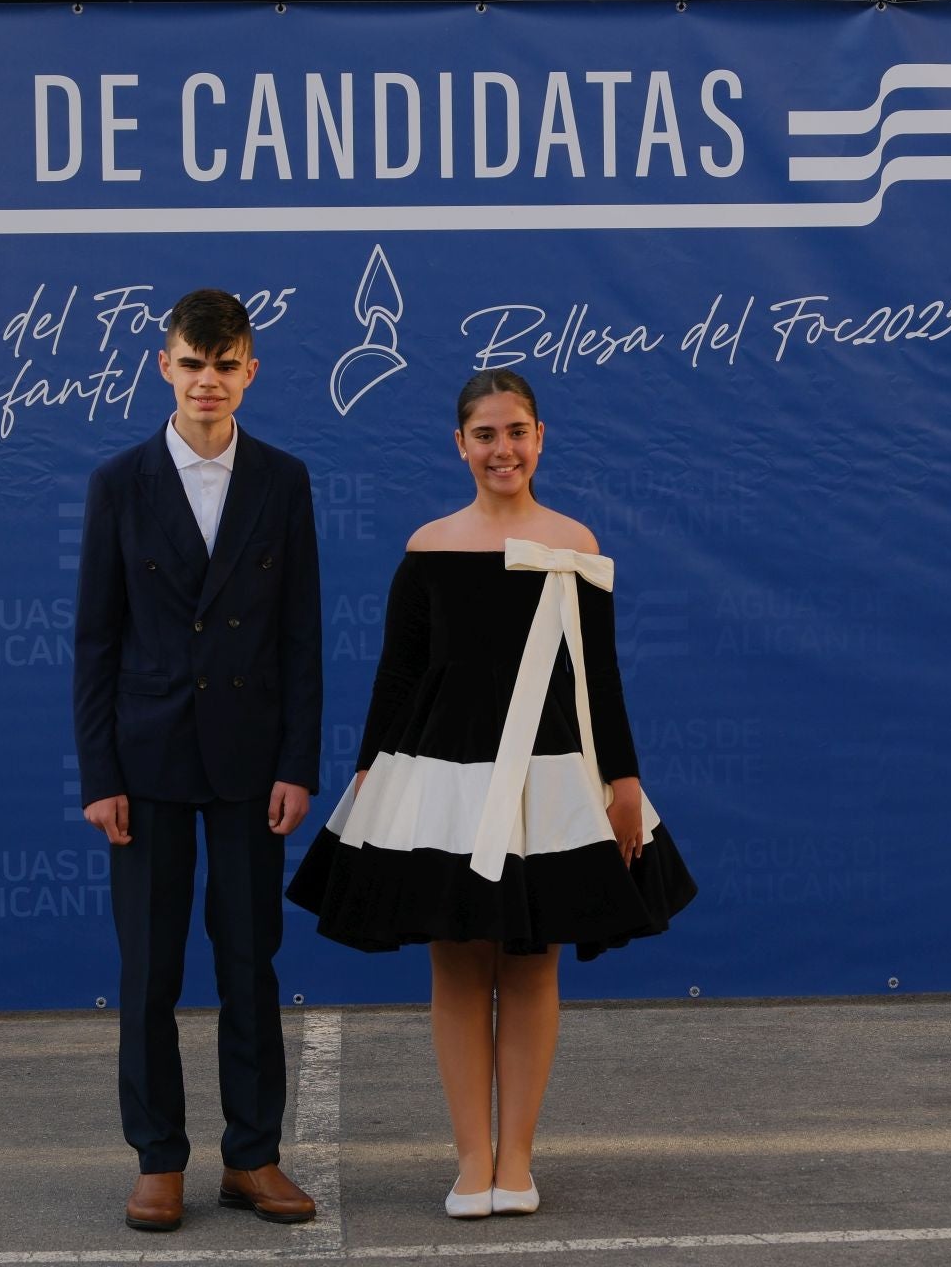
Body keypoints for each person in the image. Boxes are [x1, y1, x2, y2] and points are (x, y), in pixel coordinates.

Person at [287, 368, 695, 1219]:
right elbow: (396, 675)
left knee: (532, 963)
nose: (502, 449)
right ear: (460, 445)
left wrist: (622, 782)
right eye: (485, 434)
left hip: (548, 784)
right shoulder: (428, 546)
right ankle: (472, 1159)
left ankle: (519, 1158)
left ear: (540, 439)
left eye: (516, 431)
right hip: (437, 783)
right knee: (459, 966)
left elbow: (599, 681)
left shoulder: (573, 543)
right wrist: (370, 781)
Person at [73, 289, 323, 1233]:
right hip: (143, 767)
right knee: (148, 970)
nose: (208, 381)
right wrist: (100, 775)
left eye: (226, 366)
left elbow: (302, 634)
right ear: (164, 367)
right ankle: (158, 1160)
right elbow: (95, 641)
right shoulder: (118, 484)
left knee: (250, 963)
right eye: (192, 363)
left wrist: (297, 761)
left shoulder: (284, 480)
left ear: (250, 373)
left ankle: (253, 1157)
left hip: (253, 765)